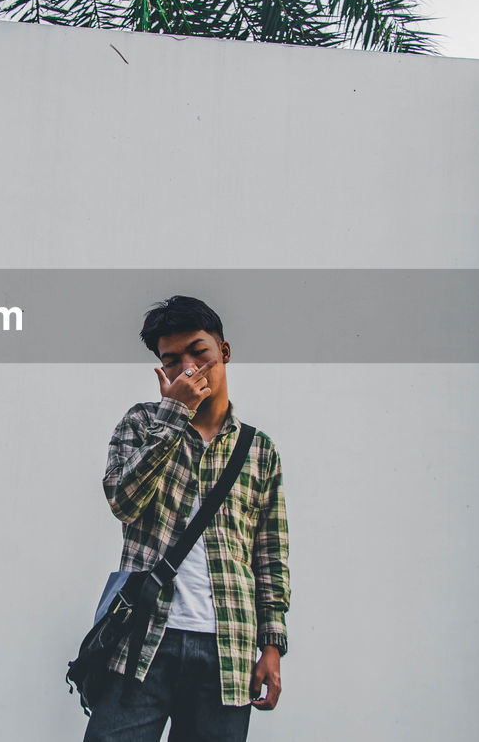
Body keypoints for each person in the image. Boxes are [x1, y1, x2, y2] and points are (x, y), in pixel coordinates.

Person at [83, 295, 290, 742]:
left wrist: (272, 647)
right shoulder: (142, 424)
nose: (190, 369)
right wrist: (174, 415)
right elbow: (123, 501)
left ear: (224, 352)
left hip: (227, 650)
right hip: (142, 641)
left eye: (200, 353)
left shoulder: (259, 450)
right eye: (172, 360)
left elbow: (269, 555)